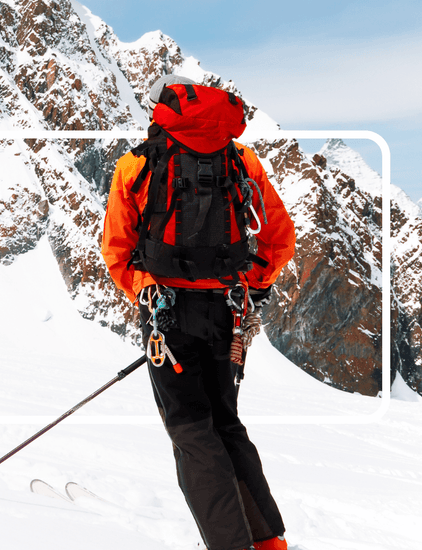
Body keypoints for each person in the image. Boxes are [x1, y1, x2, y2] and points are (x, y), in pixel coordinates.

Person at [101, 74, 296, 550]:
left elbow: (117, 251)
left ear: (158, 109)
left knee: (191, 430)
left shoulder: (137, 165)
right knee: (225, 421)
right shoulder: (241, 159)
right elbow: (278, 238)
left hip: (165, 314)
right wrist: (255, 285)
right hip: (227, 312)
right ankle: (268, 542)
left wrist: (147, 293)